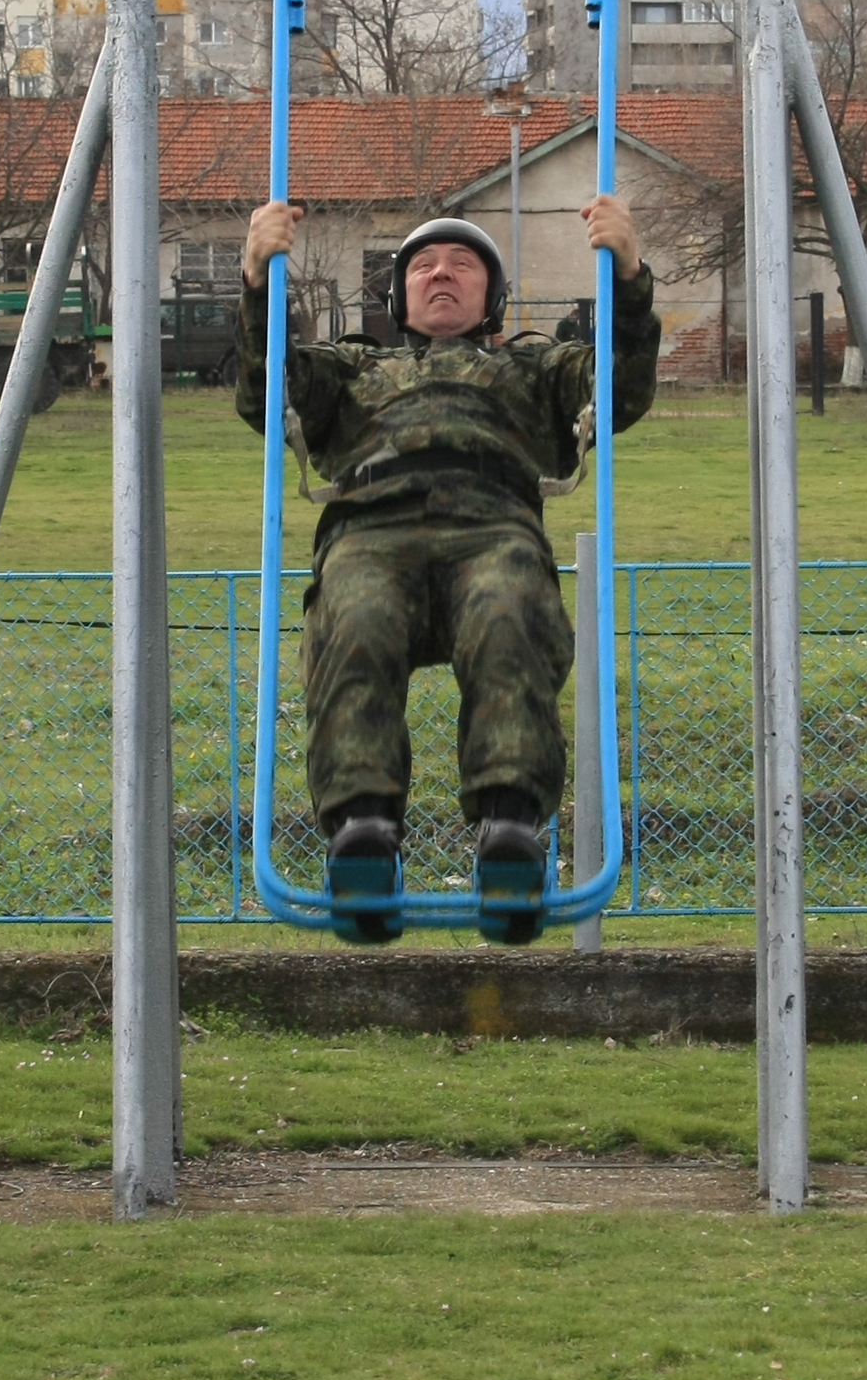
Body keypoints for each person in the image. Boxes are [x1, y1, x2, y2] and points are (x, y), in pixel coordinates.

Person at [237, 194, 658, 945]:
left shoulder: (531, 366)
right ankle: (362, 831)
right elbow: (268, 390)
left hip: (491, 519)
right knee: (355, 616)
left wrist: (627, 278)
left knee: (507, 608)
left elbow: (617, 392)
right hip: (372, 523)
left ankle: (510, 831)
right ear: (397, 294)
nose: (440, 274)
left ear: (491, 295)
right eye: (423, 265)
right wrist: (257, 281)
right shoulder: (354, 366)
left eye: (462, 265)